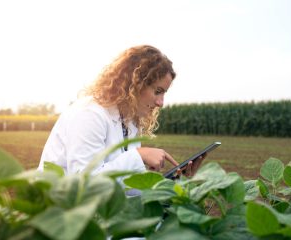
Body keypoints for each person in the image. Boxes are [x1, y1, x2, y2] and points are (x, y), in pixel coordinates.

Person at [38, 45, 204, 178]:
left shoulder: (130, 121)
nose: (161, 103)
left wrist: (168, 181)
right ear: (135, 84)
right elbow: (84, 184)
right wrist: (139, 155)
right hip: (57, 212)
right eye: (157, 91)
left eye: (164, 93)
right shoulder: (89, 114)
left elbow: (124, 183)